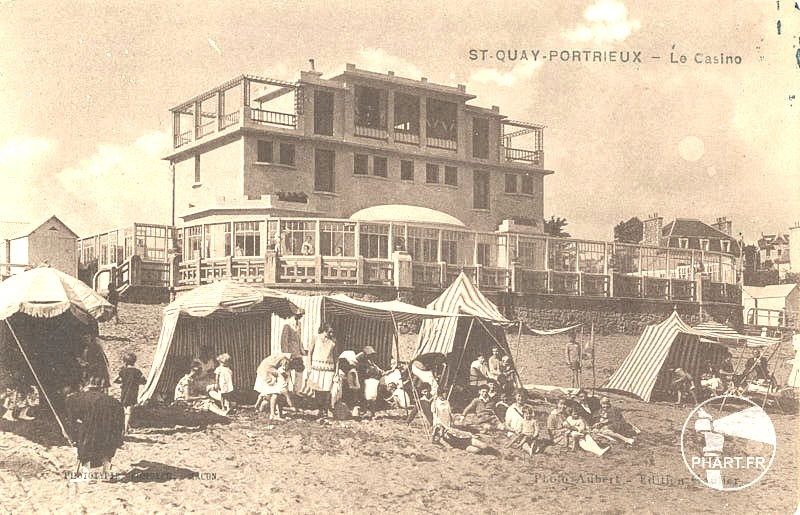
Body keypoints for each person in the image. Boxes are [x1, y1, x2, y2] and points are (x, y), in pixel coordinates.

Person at [64, 376, 125, 479]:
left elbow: (72, 419)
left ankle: (86, 474)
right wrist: (118, 435)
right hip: (108, 428)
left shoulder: (78, 398)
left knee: (86, 446)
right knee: (107, 446)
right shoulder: (113, 401)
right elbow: (120, 419)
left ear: (86, 385)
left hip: (89, 427)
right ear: (100, 386)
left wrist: (73, 436)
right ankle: (106, 473)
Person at [255, 352, 304, 427]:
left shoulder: (285, 358)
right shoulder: (285, 361)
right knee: (275, 393)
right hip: (267, 371)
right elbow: (281, 374)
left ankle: (278, 414)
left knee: (276, 394)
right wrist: (292, 406)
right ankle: (273, 415)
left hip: (268, 370)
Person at [306, 323, 337, 419]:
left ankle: (326, 409)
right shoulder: (316, 337)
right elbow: (309, 353)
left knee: (327, 390)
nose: (331, 333)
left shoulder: (333, 341)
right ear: (324, 330)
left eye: (332, 332)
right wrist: (309, 366)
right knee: (318, 390)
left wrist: (336, 371)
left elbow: (336, 357)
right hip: (316, 367)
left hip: (329, 368)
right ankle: (319, 410)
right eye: (330, 331)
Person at [113, 352, 146, 434]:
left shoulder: (123, 371)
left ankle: (125, 427)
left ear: (125, 362)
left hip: (124, 392)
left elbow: (115, 380)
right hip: (133, 392)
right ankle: (125, 428)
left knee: (125, 409)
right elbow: (144, 381)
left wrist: (122, 381)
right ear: (134, 361)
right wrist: (137, 382)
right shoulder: (137, 372)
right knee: (129, 410)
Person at [357, 346, 384, 419]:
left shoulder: (370, 361)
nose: (371, 356)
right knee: (365, 397)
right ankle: (365, 411)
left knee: (371, 398)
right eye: (369, 354)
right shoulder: (361, 359)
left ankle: (370, 412)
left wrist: (378, 370)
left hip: (369, 381)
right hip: (364, 379)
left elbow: (376, 368)